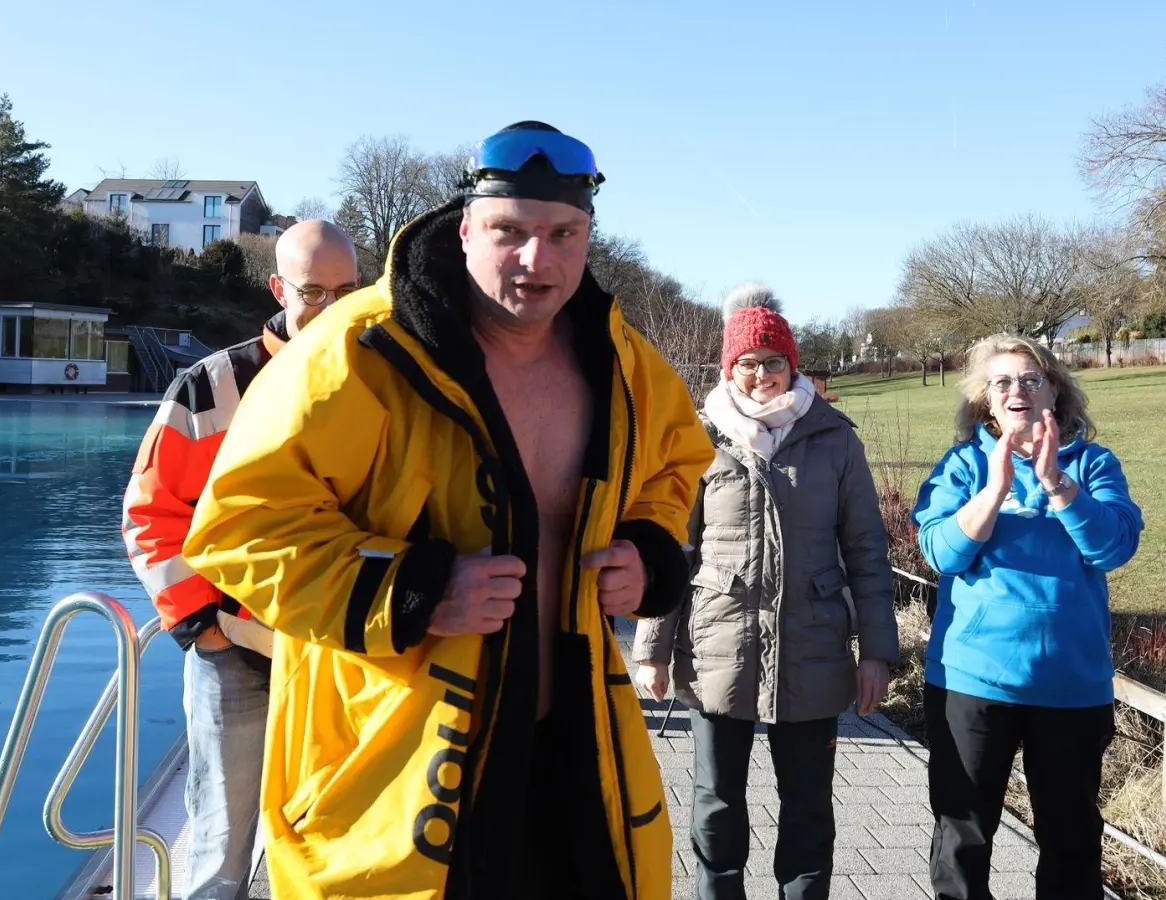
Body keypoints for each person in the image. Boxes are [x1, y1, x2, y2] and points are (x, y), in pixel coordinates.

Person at [182, 122, 716, 899]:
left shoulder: (622, 361)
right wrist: (415, 589)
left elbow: (675, 467)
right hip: (400, 766)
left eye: (564, 234)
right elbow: (242, 526)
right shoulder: (357, 352)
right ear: (466, 227)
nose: (538, 260)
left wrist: (647, 549)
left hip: (574, 755)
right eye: (511, 232)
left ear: (588, 236)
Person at [632, 284, 899, 900]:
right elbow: (672, 546)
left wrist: (877, 653)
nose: (760, 375)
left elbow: (866, 550)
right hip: (717, 643)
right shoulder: (699, 440)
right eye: (746, 363)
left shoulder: (835, 440)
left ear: (792, 365)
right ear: (729, 368)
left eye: (772, 362)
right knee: (715, 802)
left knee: (807, 807)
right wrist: (651, 646)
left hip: (814, 647)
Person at [121, 220, 360, 900]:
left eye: (348, 290)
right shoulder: (211, 388)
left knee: (338, 848)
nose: (332, 307)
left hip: (348, 658)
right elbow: (150, 514)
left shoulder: (383, 381)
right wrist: (205, 627)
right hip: (239, 653)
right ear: (279, 287)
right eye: (314, 291)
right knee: (222, 854)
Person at [912, 333, 1143, 900]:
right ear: (985, 401)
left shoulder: (1091, 464)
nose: (1018, 390)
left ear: (1055, 391)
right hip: (973, 679)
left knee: (1071, 844)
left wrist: (1057, 485)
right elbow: (940, 552)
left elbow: (1113, 548)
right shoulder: (963, 465)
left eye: (1032, 379)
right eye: (1003, 382)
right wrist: (993, 491)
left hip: (1071, 685)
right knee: (962, 838)